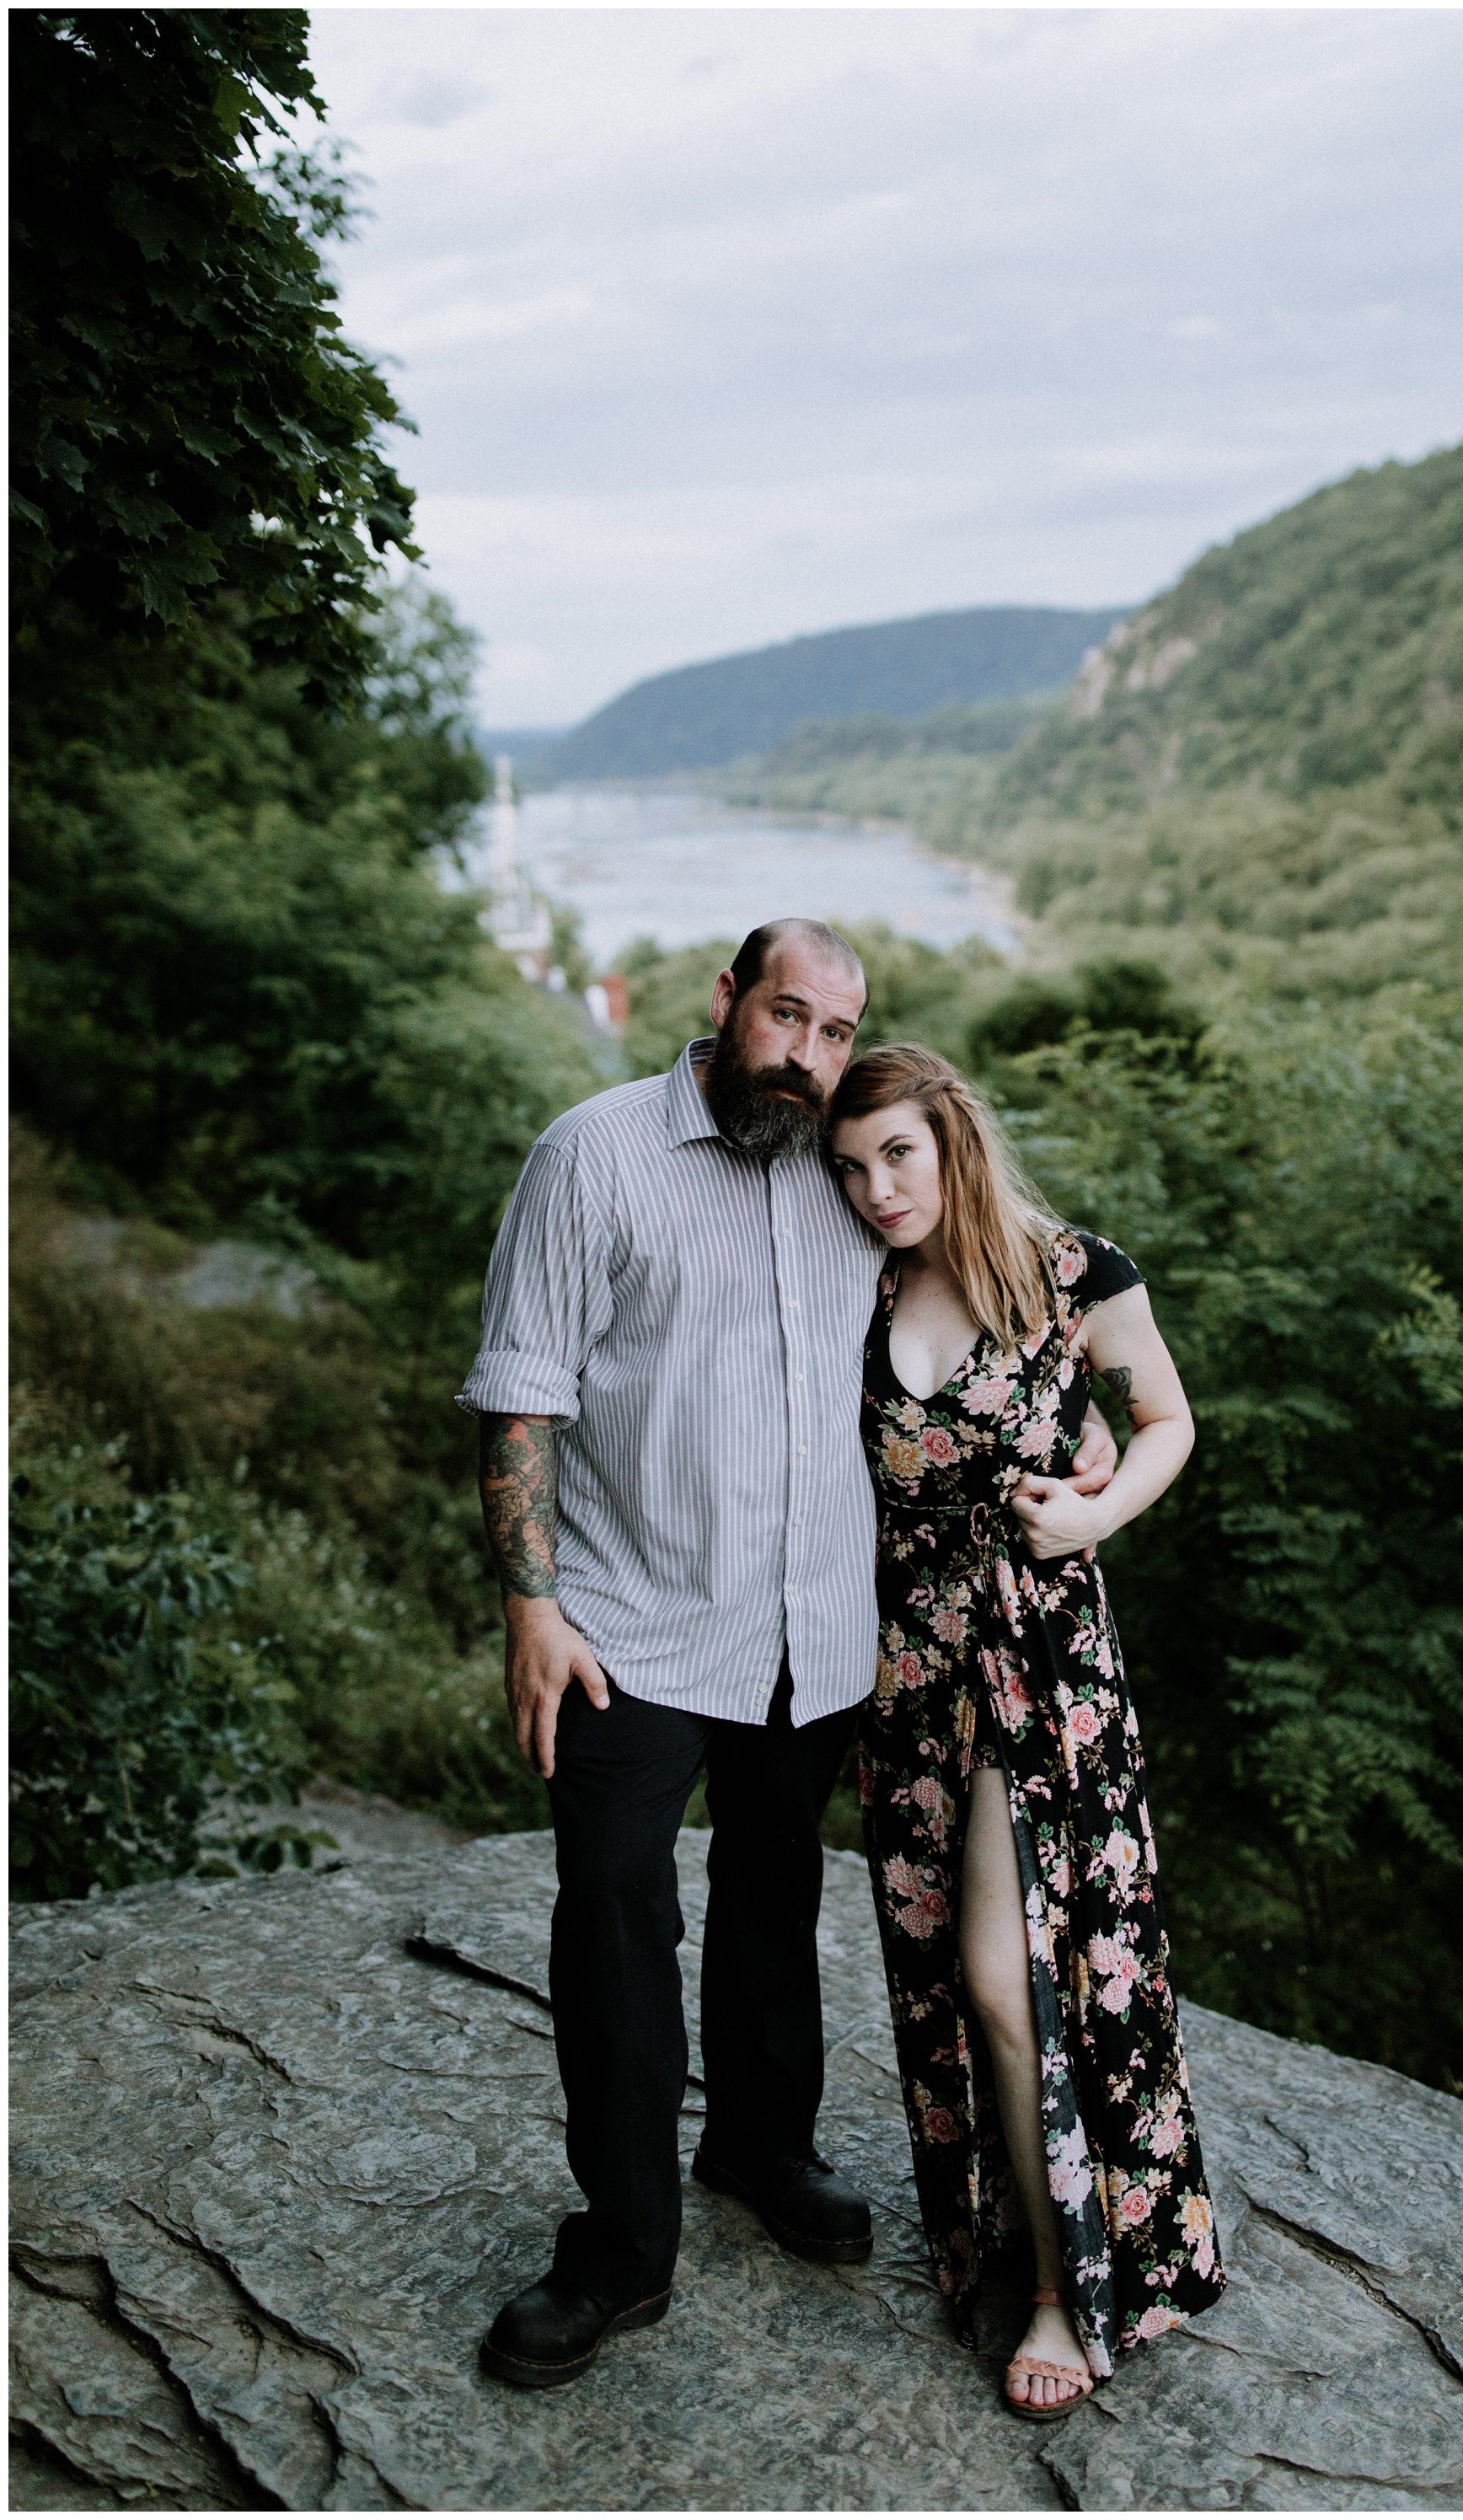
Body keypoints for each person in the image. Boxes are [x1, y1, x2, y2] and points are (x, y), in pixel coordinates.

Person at [457, 919, 1120, 2390]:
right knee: (615, 1910)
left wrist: (1090, 1468)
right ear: (727, 1001)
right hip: (627, 1621)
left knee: (772, 1891)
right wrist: (531, 1604)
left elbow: (1015, 1303)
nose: (809, 1056)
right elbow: (520, 1392)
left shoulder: (853, 1177)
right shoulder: (593, 1154)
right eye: (788, 1017)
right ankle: (620, 2253)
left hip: (820, 1630)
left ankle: (760, 2146)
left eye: (836, 1032)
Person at [828, 1043, 1225, 2422]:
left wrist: (1100, 1507)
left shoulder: (1072, 1271)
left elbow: (1165, 1420)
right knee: (945, 1973)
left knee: (1006, 1972)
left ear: (954, 1138)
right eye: (853, 1164)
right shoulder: (854, 1283)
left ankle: (1066, 2291)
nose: (878, 1189)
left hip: (1041, 1658)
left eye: (899, 1154)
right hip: (906, 1673)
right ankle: (1009, 2222)